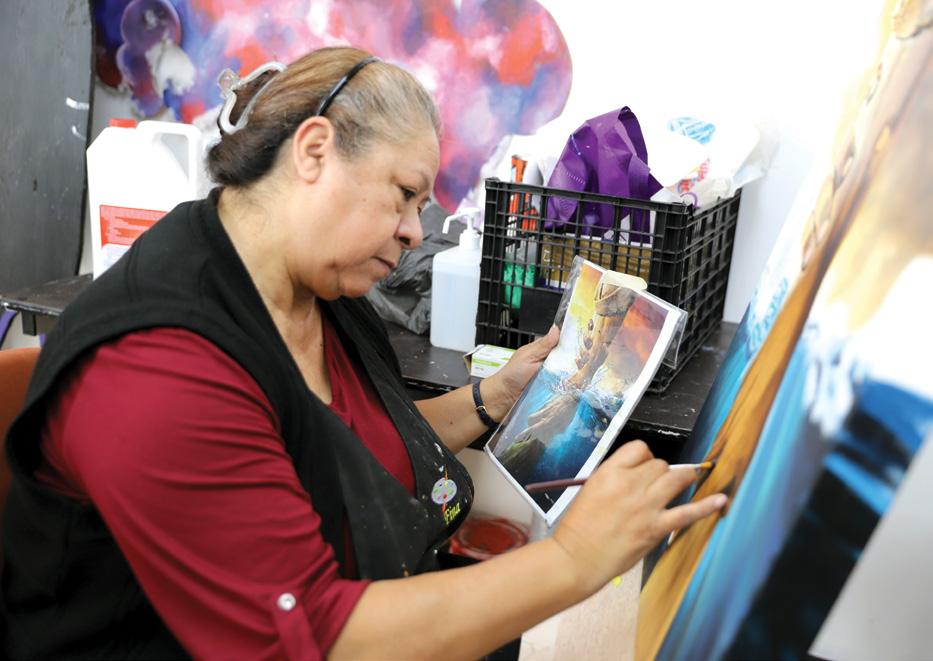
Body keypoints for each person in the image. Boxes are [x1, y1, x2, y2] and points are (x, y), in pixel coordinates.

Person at [2, 47, 726, 660]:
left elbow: (355, 444)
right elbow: (315, 637)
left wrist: (493, 397)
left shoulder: (315, 291)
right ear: (314, 150)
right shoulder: (161, 366)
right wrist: (573, 560)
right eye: (404, 194)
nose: (414, 230)